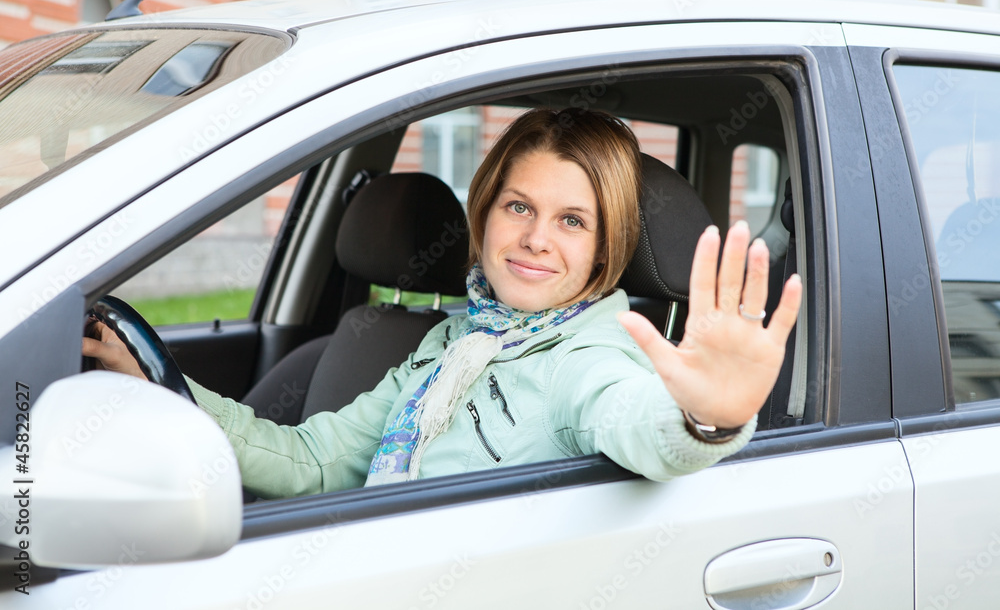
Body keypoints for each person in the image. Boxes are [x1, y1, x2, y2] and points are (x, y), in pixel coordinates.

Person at [83, 108, 802, 498]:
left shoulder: (591, 355)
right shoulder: (455, 342)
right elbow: (314, 460)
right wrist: (165, 392)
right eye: (518, 205)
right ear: (483, 213)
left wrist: (709, 414)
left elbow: (639, 424)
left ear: (604, 246)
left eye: (572, 220)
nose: (535, 239)